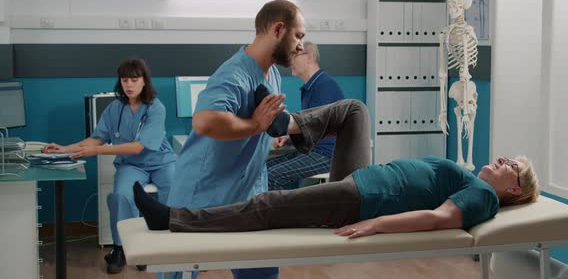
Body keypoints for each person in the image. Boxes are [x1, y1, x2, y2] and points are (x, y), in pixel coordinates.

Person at [134, 99, 540, 239]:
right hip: (364, 179)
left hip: (365, 199)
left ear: (515, 190)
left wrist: (376, 225)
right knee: (354, 111)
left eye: (512, 166)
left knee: (270, 204)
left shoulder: (483, 195)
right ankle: (287, 125)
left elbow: (440, 219)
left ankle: (171, 218)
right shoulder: (476, 181)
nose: (503, 160)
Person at [164, 0, 306, 279]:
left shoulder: (272, 73)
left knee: (261, 270)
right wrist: (255, 125)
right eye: (298, 36)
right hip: (204, 191)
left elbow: (265, 119)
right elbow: (204, 121)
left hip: (247, 191)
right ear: (278, 29)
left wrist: (270, 135)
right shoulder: (234, 73)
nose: (301, 45)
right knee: (178, 271)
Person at [43, 59, 177, 274]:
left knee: (175, 191)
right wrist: (65, 148)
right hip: (132, 166)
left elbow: (137, 147)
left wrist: (96, 151)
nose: (129, 85)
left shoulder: (156, 108)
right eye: (125, 80)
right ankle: (121, 248)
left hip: (161, 162)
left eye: (134, 79)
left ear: (144, 82)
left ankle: (166, 246)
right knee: (121, 195)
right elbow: (98, 138)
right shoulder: (116, 108)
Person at [267, 41, 344, 190]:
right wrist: (289, 139)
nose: (290, 62)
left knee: (272, 176)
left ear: (309, 57)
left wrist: (289, 130)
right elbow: (312, 129)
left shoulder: (323, 85)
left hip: (327, 155)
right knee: (265, 169)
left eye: (294, 56)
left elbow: (317, 128)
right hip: (315, 151)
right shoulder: (310, 87)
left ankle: (278, 213)